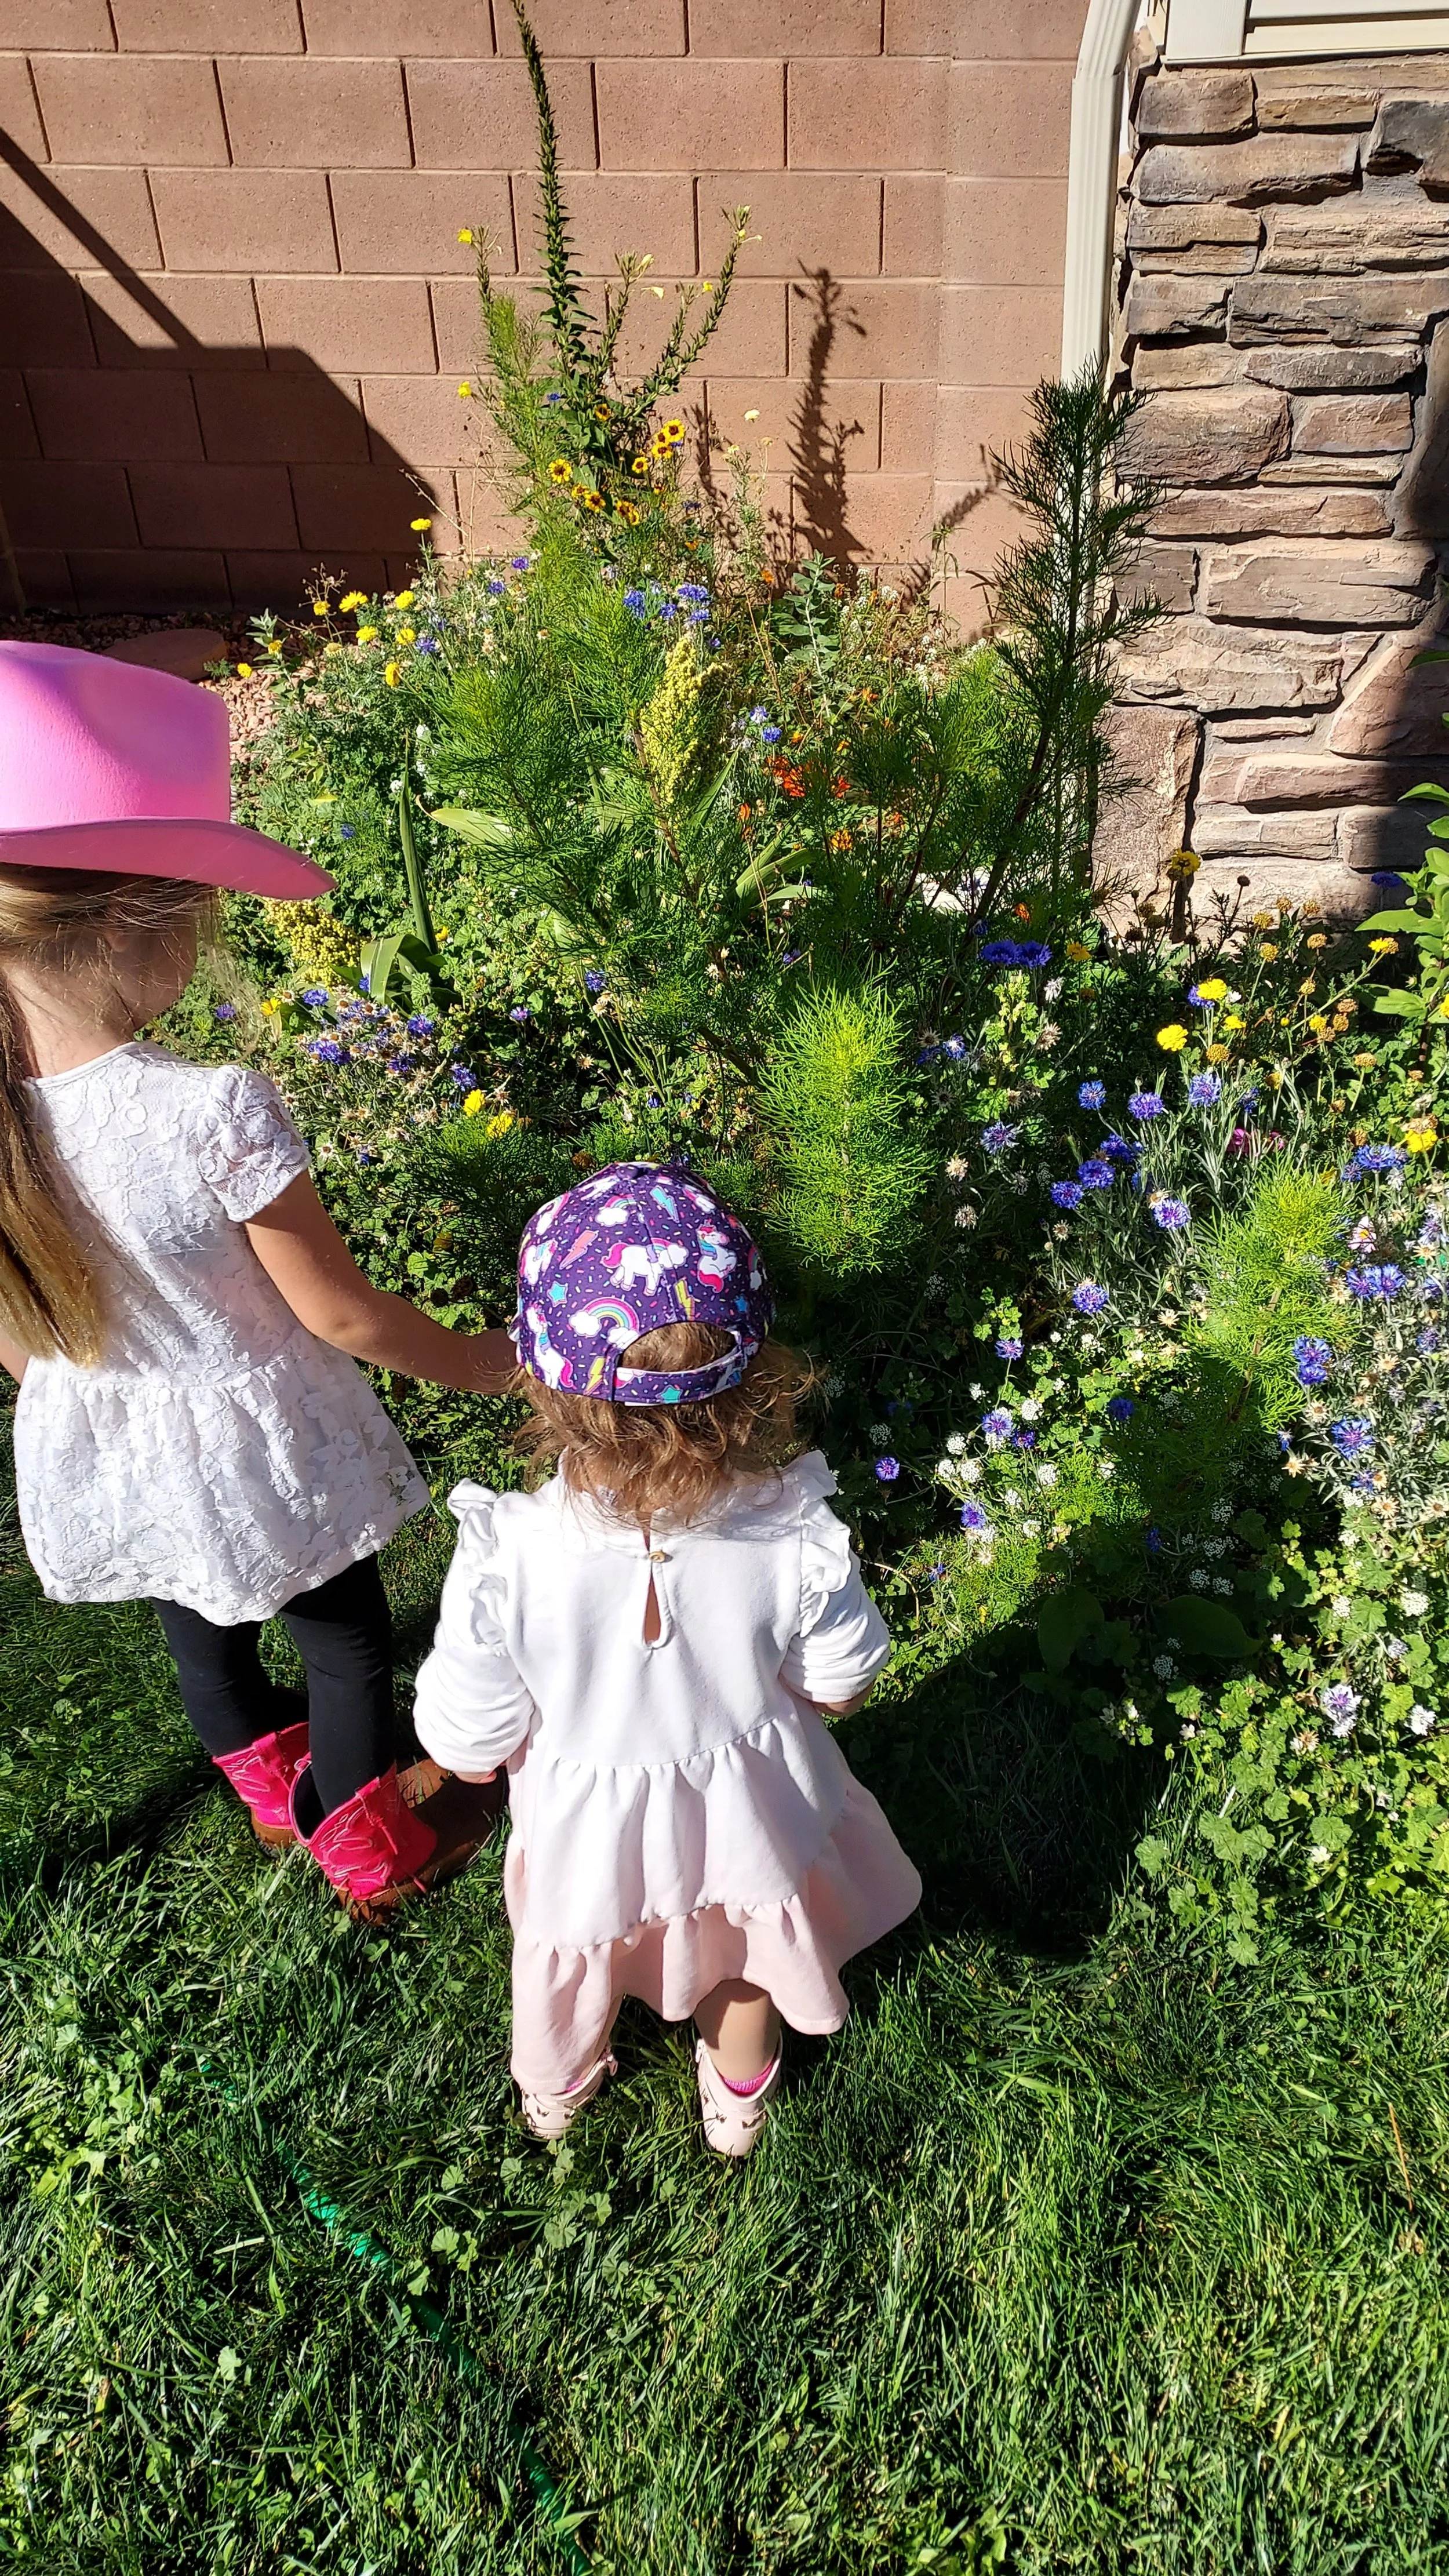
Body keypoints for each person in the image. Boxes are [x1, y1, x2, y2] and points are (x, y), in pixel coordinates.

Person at [0, 639, 515, 1918]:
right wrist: (495, 1361)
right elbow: (337, 1309)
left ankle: (267, 1785)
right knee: (343, 1636)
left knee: (199, 1613)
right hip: (256, 1431)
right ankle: (369, 1850)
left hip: (114, 1422)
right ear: (135, 919)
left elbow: (16, 1338)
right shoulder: (205, 1111)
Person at [412, 1161, 922, 2157]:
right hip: (748, 1818)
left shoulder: (508, 1557)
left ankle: (557, 2092)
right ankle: (737, 2101)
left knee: (570, 1952)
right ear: (756, 1372)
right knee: (742, 1951)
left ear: (543, 1379)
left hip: (585, 1835)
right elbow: (843, 1684)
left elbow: (469, 1736)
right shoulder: (795, 1533)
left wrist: (482, 1754)